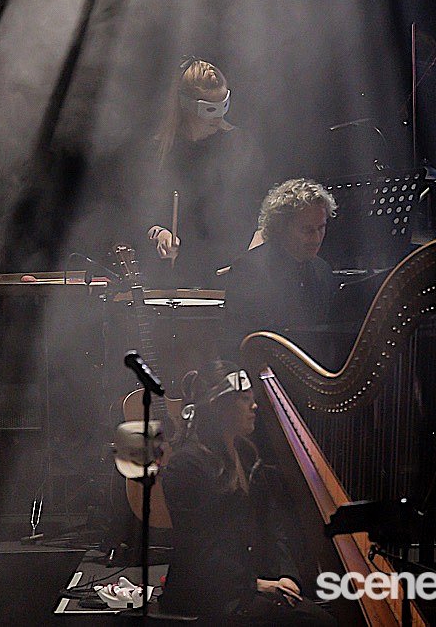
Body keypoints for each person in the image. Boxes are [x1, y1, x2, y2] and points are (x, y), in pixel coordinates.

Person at [159, 359, 337, 624]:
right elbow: (200, 550)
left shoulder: (247, 454)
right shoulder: (187, 465)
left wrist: (286, 575)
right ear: (219, 406)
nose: (254, 406)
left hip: (246, 585)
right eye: (244, 399)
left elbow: (272, 525)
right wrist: (257, 585)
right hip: (208, 594)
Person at [141, 56, 264, 288]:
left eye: (223, 106)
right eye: (209, 109)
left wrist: (256, 248)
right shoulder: (159, 153)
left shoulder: (239, 144)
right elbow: (137, 217)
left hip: (233, 275)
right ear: (186, 106)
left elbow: (263, 210)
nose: (218, 117)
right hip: (175, 280)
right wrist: (159, 233)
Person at [223, 179, 344, 365]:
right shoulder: (249, 269)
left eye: (321, 228)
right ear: (281, 227)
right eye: (307, 230)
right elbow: (238, 342)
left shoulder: (323, 270)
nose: (316, 238)